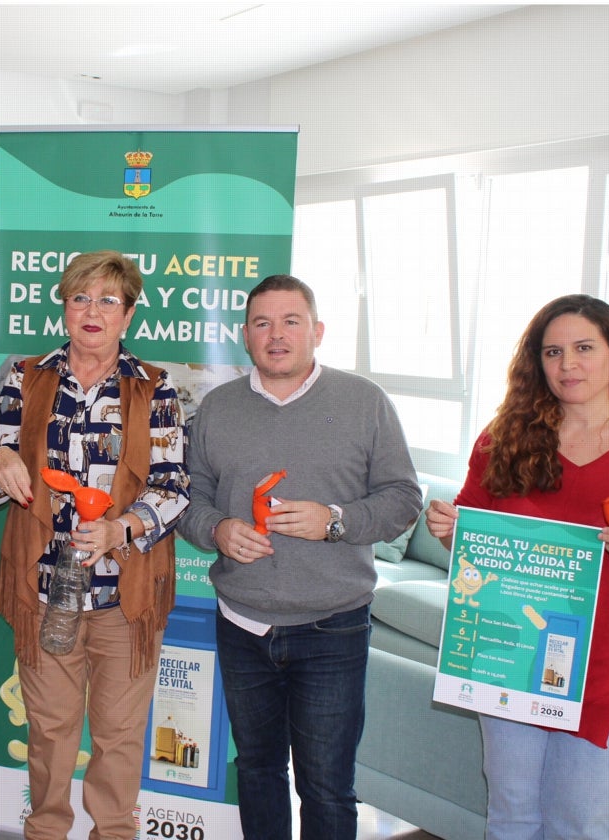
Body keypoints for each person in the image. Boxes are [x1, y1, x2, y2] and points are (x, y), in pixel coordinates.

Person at [423, 294, 609, 840]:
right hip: (510, 656)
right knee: (510, 815)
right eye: (552, 352)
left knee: (581, 824)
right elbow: (476, 551)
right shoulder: (504, 439)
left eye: (584, 348)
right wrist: (451, 533)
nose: (567, 365)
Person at [178, 273, 422, 840]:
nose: (277, 335)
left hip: (332, 627)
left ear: (317, 331)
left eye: (291, 321)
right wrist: (217, 530)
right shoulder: (217, 409)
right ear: (245, 335)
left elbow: (403, 498)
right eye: (262, 323)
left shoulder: (366, 403)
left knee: (327, 785)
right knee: (258, 769)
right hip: (242, 624)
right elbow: (188, 497)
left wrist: (335, 521)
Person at [0, 250, 189, 839]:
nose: (91, 311)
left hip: (126, 597)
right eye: (79, 298)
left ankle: (113, 832)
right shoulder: (26, 375)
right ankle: (45, 829)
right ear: (64, 307)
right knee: (49, 730)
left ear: (128, 314)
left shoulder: (156, 386)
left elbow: (175, 489)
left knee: (120, 736)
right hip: (47, 590)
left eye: (107, 300)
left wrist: (122, 528)